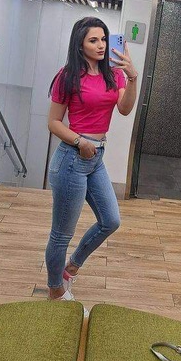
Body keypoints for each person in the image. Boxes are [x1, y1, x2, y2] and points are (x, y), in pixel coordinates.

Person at [45, 16, 138, 301]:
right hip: (72, 158)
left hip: (96, 158)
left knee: (110, 220)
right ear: (80, 44)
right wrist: (79, 141)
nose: (101, 45)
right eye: (93, 40)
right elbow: (53, 122)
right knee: (62, 233)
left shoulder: (114, 74)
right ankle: (55, 291)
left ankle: (71, 267)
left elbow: (124, 109)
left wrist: (132, 77)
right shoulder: (67, 76)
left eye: (104, 39)